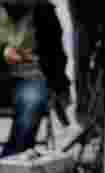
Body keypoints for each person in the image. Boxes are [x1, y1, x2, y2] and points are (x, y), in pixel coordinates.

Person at [0, 0, 70, 157]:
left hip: (30, 78)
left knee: (32, 100)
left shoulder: (44, 10)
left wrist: (61, 87)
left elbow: (56, 54)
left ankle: (13, 164)